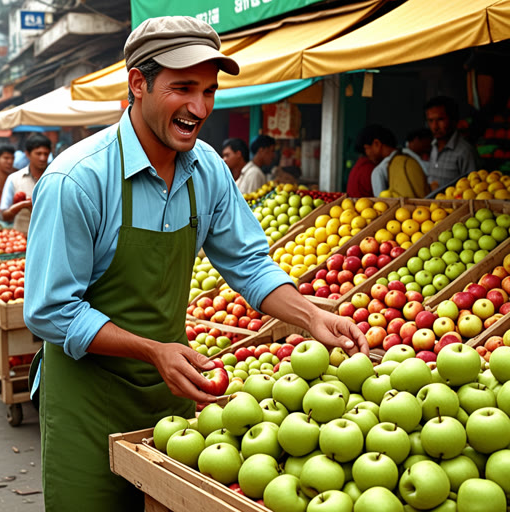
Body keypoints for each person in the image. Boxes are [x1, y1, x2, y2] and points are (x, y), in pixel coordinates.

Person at [23, 16, 368, 512]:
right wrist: (153, 350)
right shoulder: (77, 181)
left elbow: (249, 263)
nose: (199, 108)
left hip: (173, 396)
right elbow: (51, 311)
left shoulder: (207, 170)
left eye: (208, 91)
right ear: (137, 84)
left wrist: (312, 315)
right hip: (87, 398)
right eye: (182, 88)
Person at [0, 133, 51, 231]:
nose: (43, 158)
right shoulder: (14, 179)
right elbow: (4, 216)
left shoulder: (54, 178)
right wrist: (20, 206)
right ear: (27, 154)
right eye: (38, 153)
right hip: (21, 239)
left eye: (46, 154)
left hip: (48, 236)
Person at [425, 96, 478, 190]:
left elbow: (473, 188)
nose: (435, 126)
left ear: (453, 120)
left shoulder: (465, 151)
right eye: (430, 121)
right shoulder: (433, 147)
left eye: (440, 120)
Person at [370, 126, 429, 198]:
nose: (367, 153)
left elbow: (380, 201)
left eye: (366, 148)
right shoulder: (408, 157)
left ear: (377, 144)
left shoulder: (380, 169)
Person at [346, 125, 394, 197]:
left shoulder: (360, 166)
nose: (367, 152)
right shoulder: (369, 169)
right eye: (366, 149)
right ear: (376, 143)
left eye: (367, 149)